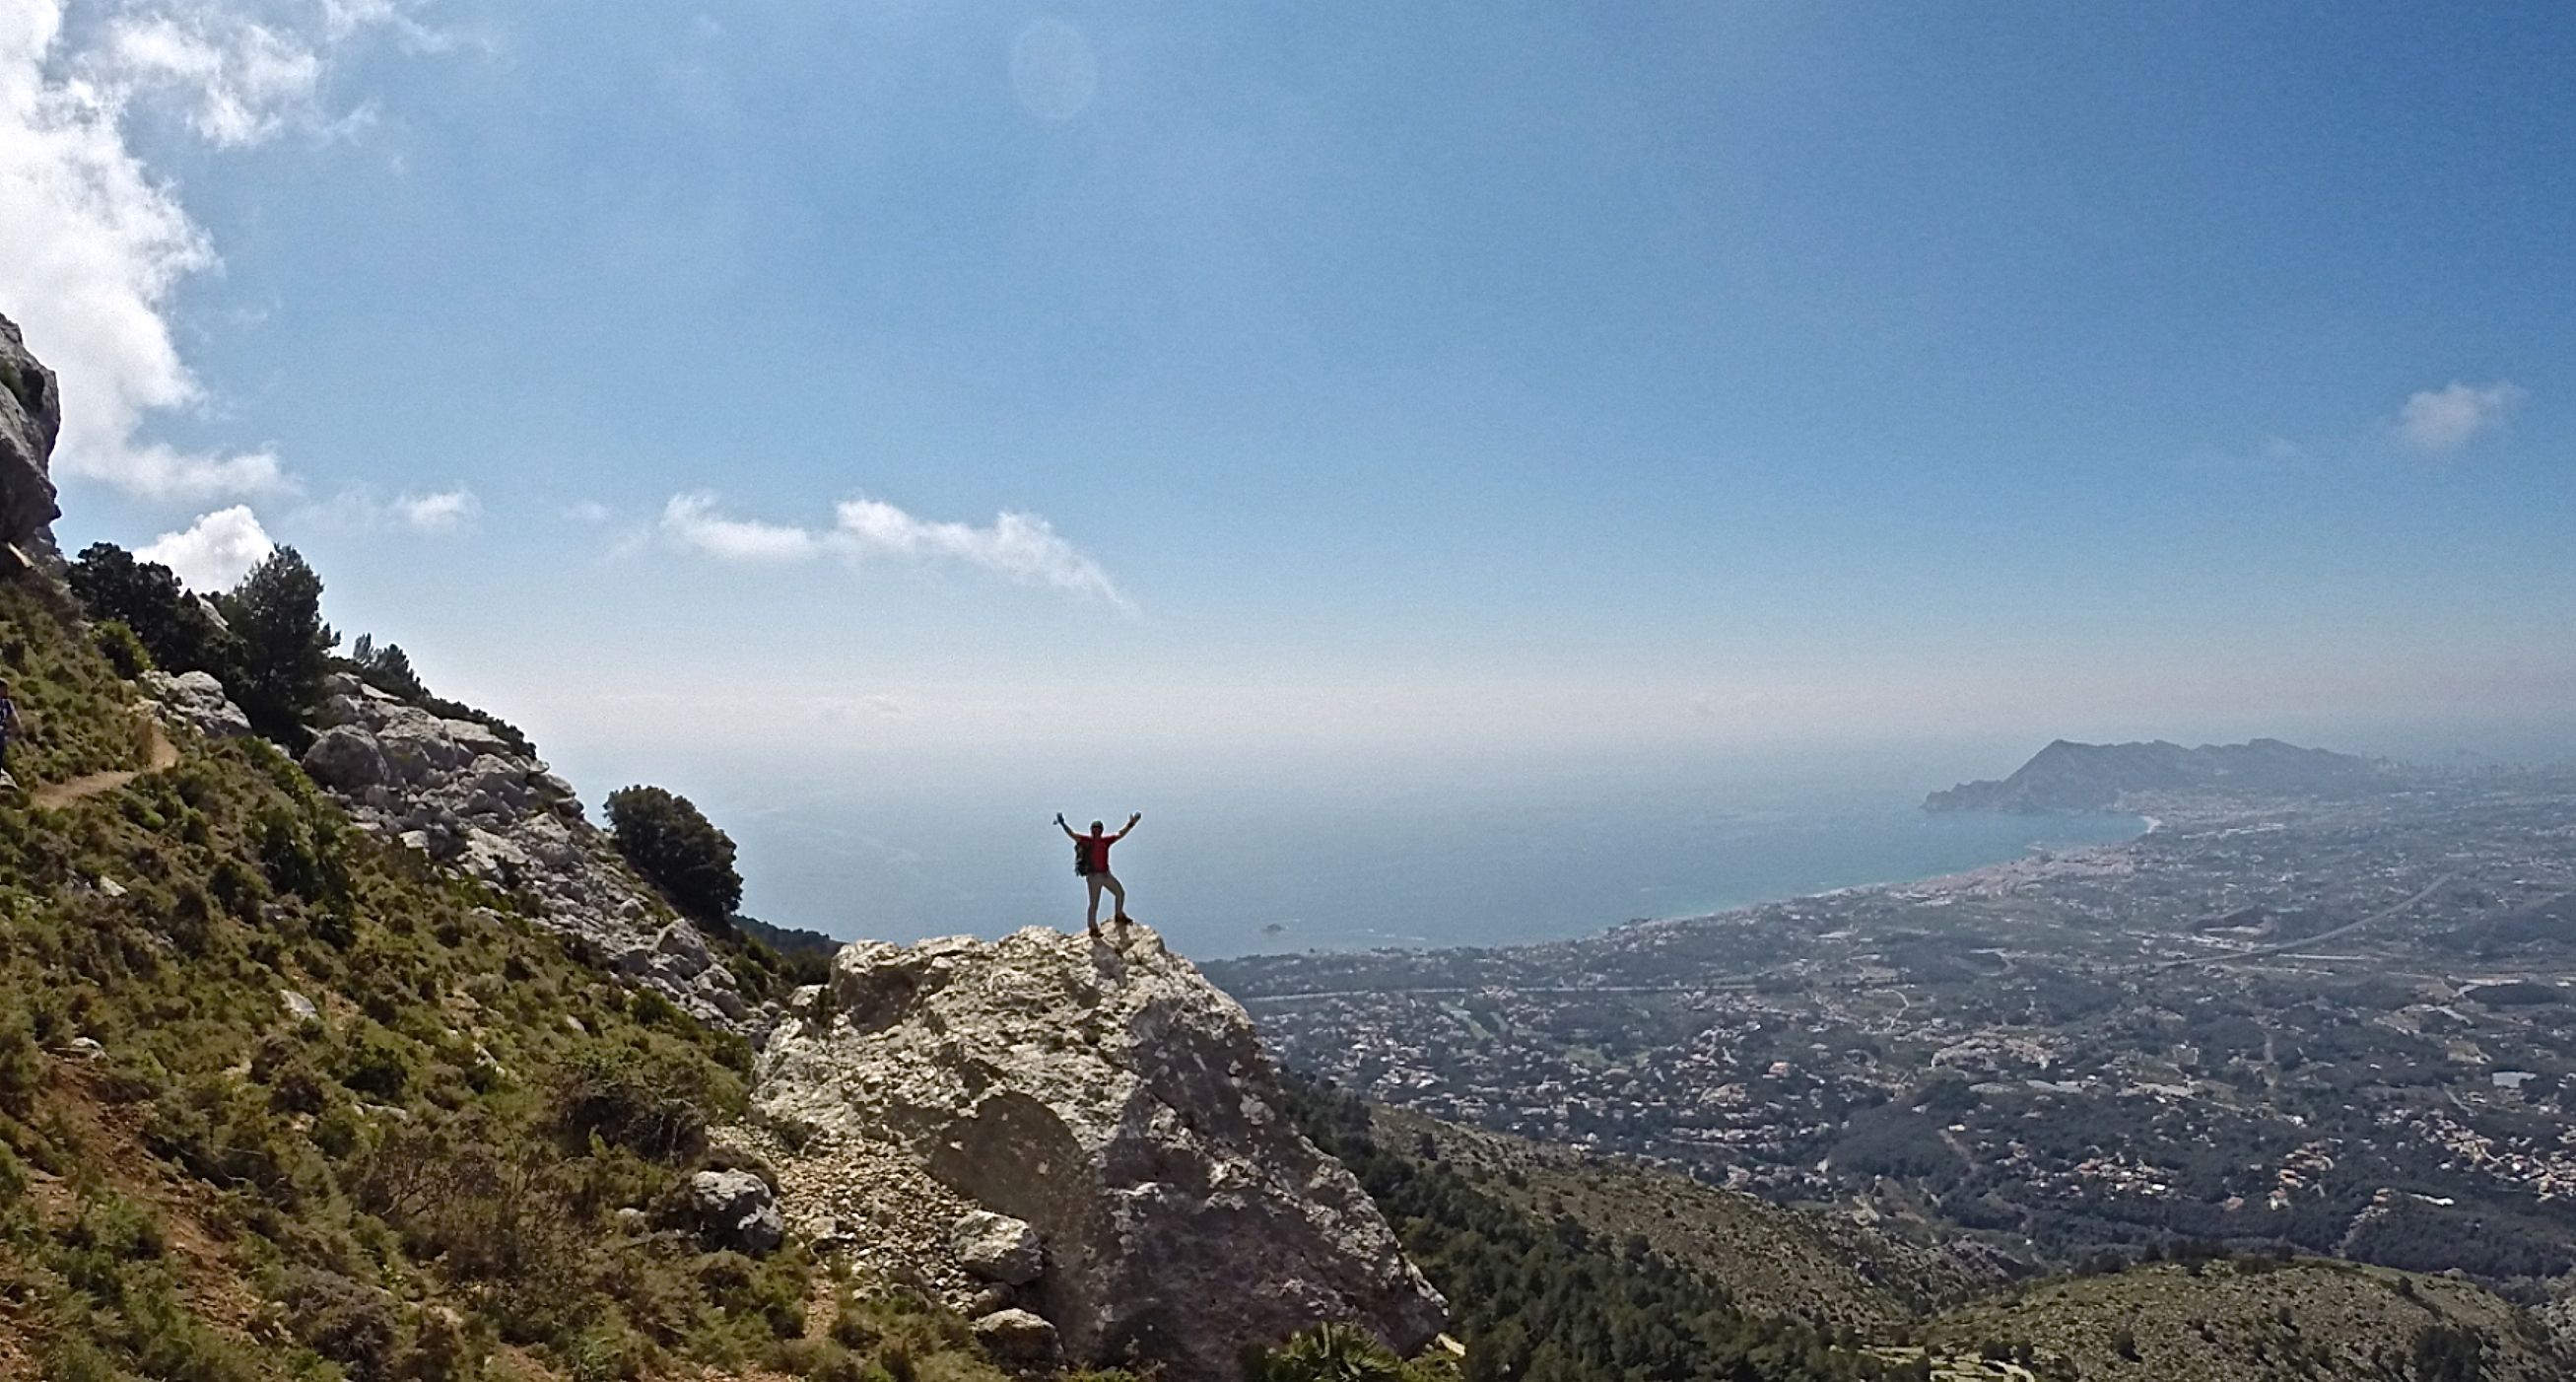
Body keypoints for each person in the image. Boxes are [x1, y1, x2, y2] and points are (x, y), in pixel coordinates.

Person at [1055, 810, 1140, 939]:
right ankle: (1094, 928)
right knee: (1099, 901)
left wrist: (1131, 824)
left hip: (1102, 875)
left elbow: (1072, 834)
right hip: (1097, 876)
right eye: (1095, 830)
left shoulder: (1095, 841)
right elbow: (1120, 834)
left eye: (1097, 830)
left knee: (1118, 894)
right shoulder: (1094, 841)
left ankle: (1117, 916)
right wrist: (1131, 824)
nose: (1096, 832)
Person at [0, 678, 17, 776]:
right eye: (4, 688)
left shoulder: (6, 703)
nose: (7, 691)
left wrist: (10, 735)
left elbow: (16, 722)